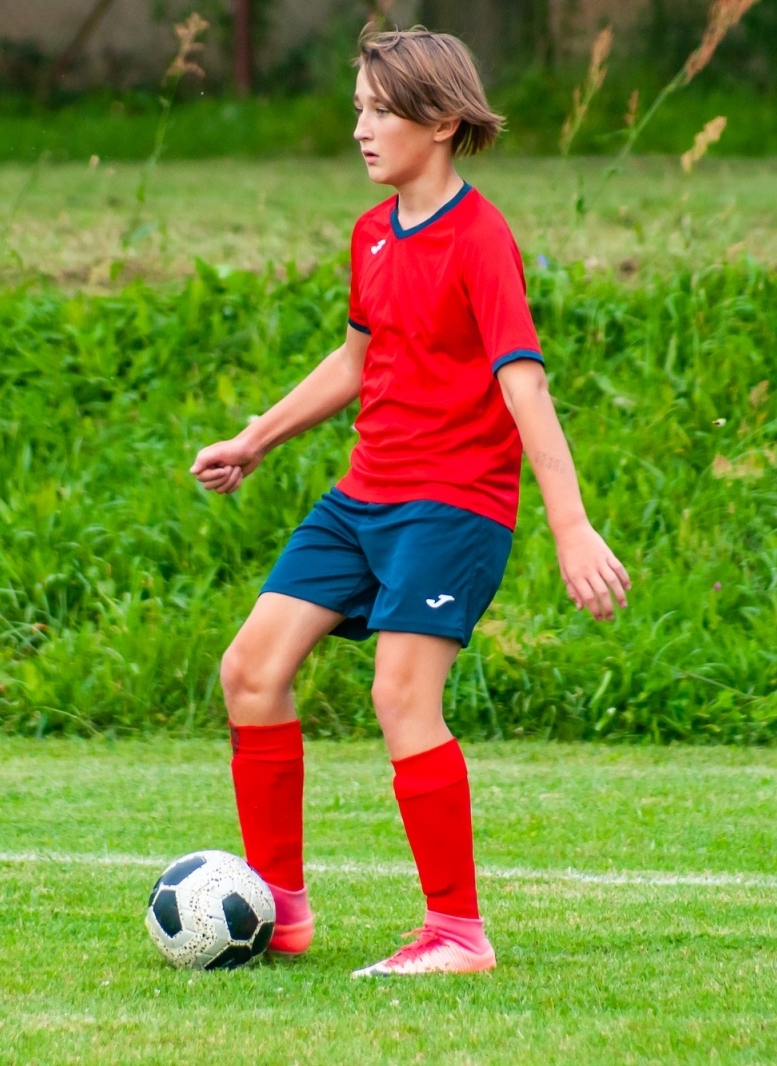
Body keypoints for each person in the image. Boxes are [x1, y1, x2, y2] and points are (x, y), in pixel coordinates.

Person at [189, 27, 630, 978]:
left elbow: (526, 387)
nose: (361, 128)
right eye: (357, 107)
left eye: (379, 109)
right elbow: (356, 362)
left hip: (453, 506)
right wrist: (255, 440)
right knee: (250, 671)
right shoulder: (372, 234)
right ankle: (277, 909)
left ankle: (457, 933)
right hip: (364, 497)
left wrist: (570, 524)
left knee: (400, 695)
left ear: (439, 120)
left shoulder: (481, 239)